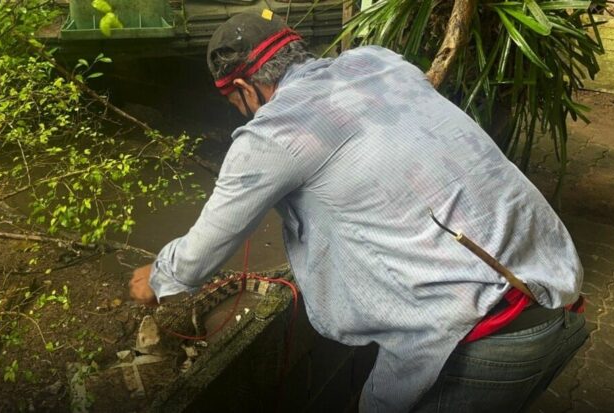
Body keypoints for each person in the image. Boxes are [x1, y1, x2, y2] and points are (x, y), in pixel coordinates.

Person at [129, 10, 588, 413]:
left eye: (235, 104)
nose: (242, 115)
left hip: (483, 338)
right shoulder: (378, 62)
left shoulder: (274, 135)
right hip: (559, 298)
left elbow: (204, 249)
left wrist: (158, 279)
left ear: (247, 87)